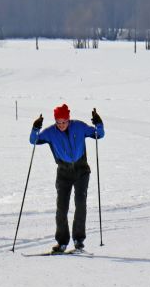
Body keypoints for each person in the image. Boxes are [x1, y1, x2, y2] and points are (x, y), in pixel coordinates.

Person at [30, 104, 104, 253]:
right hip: (63, 173)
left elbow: (98, 134)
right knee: (62, 208)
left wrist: (99, 123)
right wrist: (35, 127)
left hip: (81, 170)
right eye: (58, 122)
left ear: (69, 120)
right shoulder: (50, 132)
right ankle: (62, 242)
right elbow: (34, 140)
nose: (61, 125)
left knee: (80, 204)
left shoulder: (79, 127)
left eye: (64, 121)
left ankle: (78, 240)